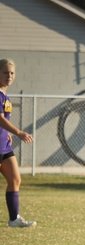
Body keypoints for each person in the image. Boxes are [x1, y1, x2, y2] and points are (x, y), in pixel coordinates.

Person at [0, 58, 36, 228]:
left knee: (15, 179)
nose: (9, 76)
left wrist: (7, 133)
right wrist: (18, 132)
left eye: (12, 73)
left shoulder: (4, 95)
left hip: (4, 147)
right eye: (5, 72)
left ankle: (14, 219)